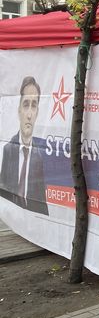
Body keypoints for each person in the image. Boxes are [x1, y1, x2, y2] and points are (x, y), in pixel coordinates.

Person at [0, 76, 48, 215]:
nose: (29, 115)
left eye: (34, 105)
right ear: (19, 109)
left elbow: (42, 204)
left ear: (37, 112)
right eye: (26, 104)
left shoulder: (40, 157)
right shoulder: (8, 150)